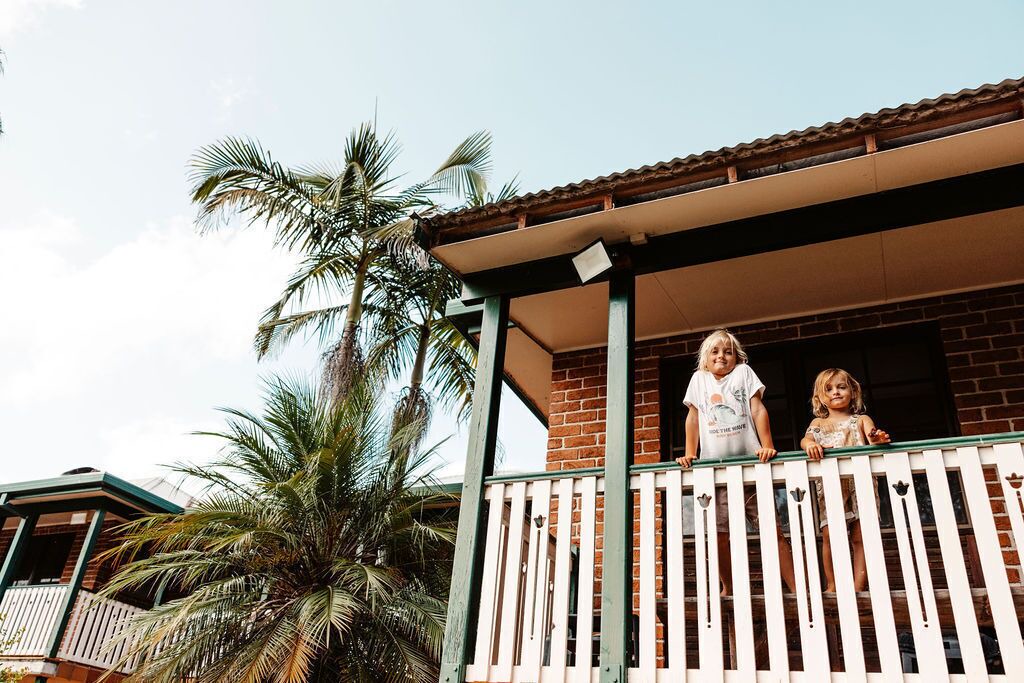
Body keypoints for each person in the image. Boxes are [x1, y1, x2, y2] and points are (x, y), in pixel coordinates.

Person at [675, 329, 796, 596]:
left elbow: (757, 409)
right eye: (715, 352)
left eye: (728, 352)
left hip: (751, 469)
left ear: (737, 357)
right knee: (718, 536)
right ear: (704, 359)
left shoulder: (743, 373)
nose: (722, 356)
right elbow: (693, 418)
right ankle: (727, 586)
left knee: (772, 530)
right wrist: (689, 453)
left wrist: (767, 446)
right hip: (715, 472)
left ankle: (796, 586)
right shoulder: (699, 380)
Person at [801, 368, 890, 592]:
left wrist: (878, 438)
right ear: (819, 397)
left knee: (861, 535)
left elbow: (873, 437)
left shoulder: (860, 419)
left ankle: (858, 585)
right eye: (828, 389)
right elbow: (806, 440)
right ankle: (831, 584)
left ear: (852, 391)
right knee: (830, 535)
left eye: (841, 387)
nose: (836, 392)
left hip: (861, 484)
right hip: (831, 487)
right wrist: (810, 445)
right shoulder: (818, 423)